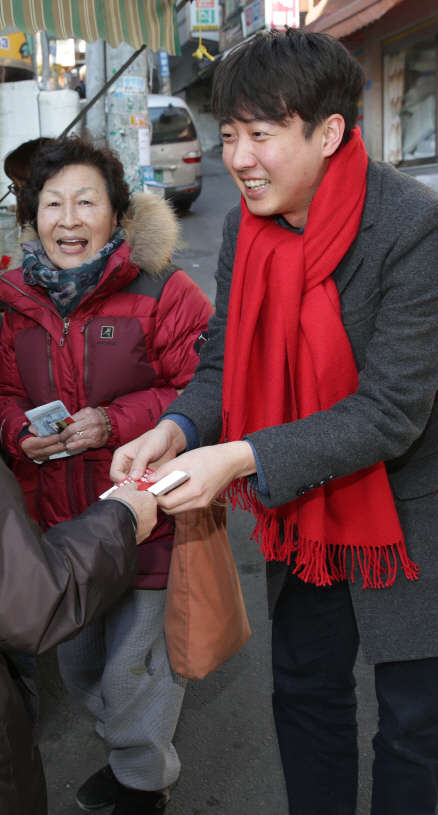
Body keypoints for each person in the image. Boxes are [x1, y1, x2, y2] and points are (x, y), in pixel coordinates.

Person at [110, 29, 438, 815]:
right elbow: (225, 363)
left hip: (424, 513)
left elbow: (391, 411)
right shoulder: (246, 229)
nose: (239, 158)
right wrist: (180, 429)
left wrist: (234, 458)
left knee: (410, 728)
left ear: (328, 132)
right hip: (308, 507)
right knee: (305, 696)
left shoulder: (418, 228)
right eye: (228, 135)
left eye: (261, 134)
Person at [0, 135, 213, 815]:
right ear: (32, 220)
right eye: (53, 204)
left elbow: (209, 386)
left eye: (86, 201)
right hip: (61, 532)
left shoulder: (164, 291)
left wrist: (115, 422)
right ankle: (132, 748)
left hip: (150, 518)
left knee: (130, 672)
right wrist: (16, 433)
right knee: (82, 665)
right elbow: (2, 396)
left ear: (116, 216)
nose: (69, 219)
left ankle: (142, 780)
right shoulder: (9, 302)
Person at [0, 461, 156, 815]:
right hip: (69, 548)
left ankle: (143, 779)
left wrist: (110, 422)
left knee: (136, 682)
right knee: (84, 675)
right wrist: (122, 521)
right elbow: (32, 602)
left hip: (121, 553)